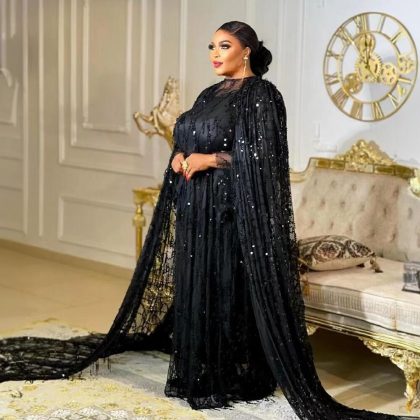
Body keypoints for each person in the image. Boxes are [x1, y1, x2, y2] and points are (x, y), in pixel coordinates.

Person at [0, 20, 417, 420]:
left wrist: (210, 159)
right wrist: (180, 156)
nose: (215, 54)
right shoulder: (209, 93)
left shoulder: (262, 95)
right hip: (195, 205)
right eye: (212, 47)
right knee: (195, 279)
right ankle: (200, 363)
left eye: (224, 46)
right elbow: (188, 136)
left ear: (246, 51)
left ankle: (229, 373)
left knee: (224, 282)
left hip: (232, 211)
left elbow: (263, 158)